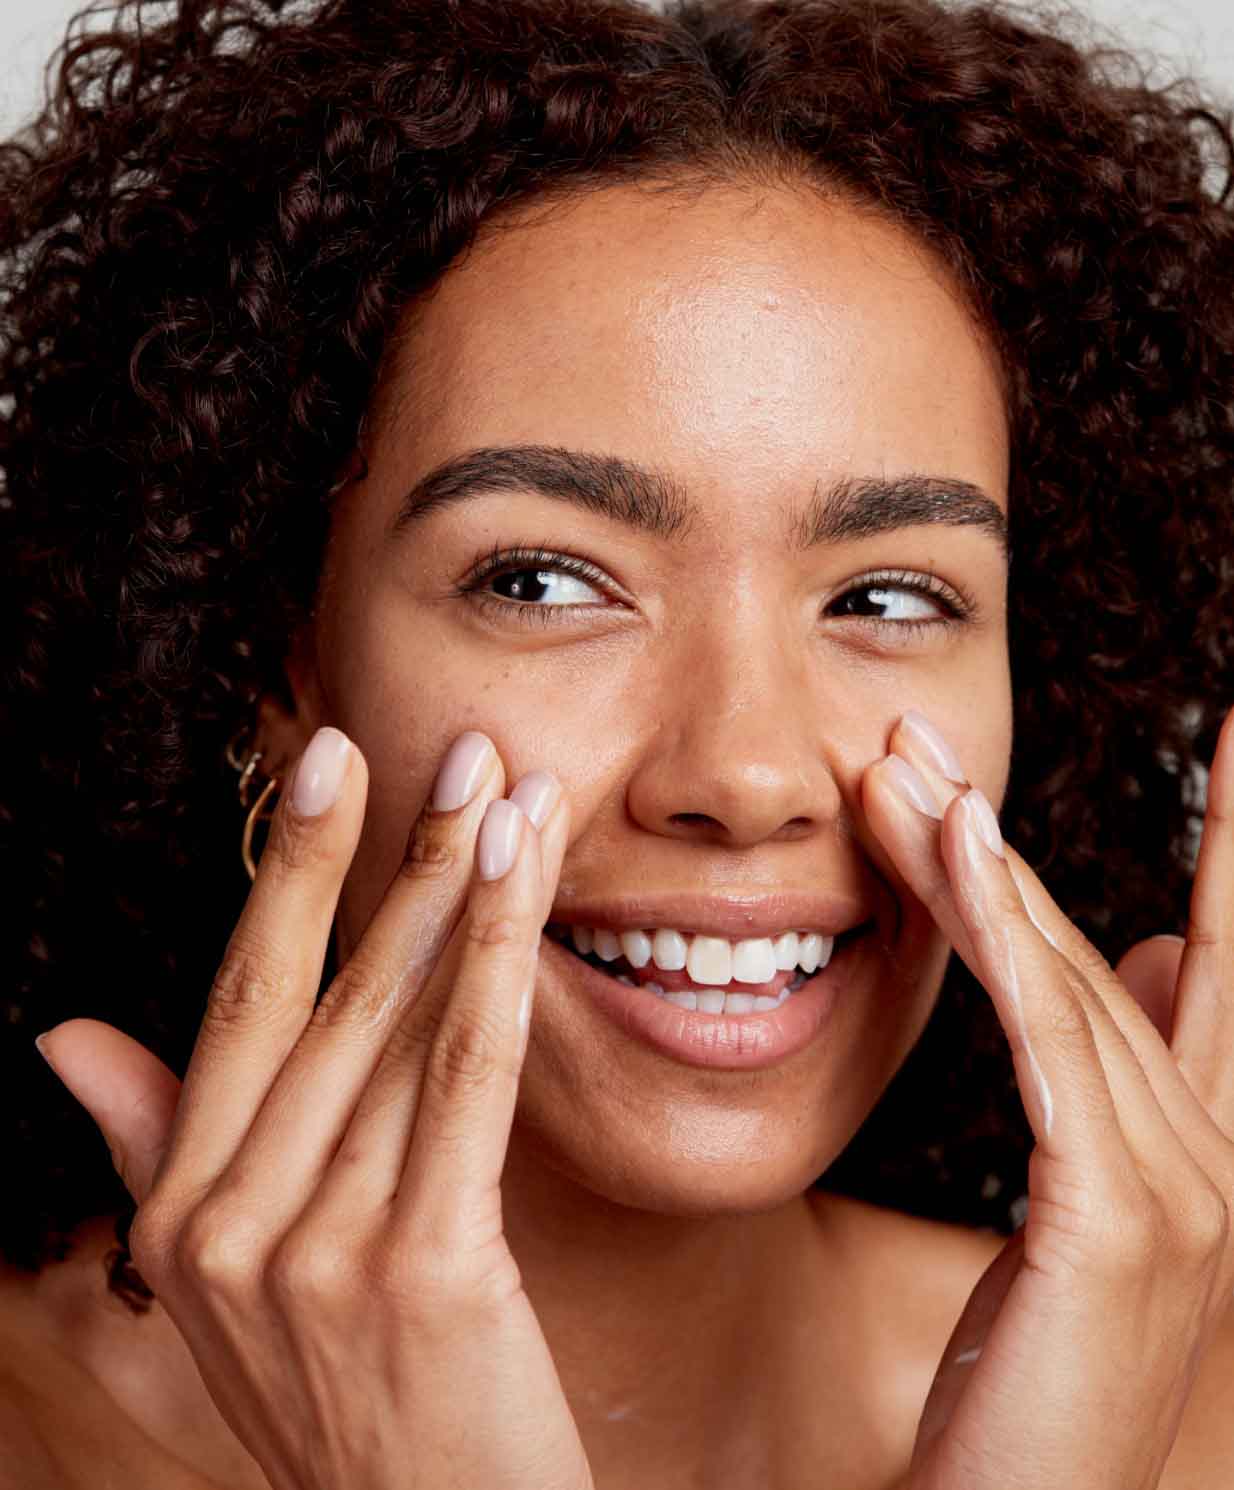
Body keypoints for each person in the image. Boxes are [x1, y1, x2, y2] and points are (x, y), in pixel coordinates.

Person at [3, 0, 1234, 1484]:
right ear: (277, 660)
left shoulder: (1171, 1417)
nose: (744, 774)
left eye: (886, 594)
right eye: (540, 581)